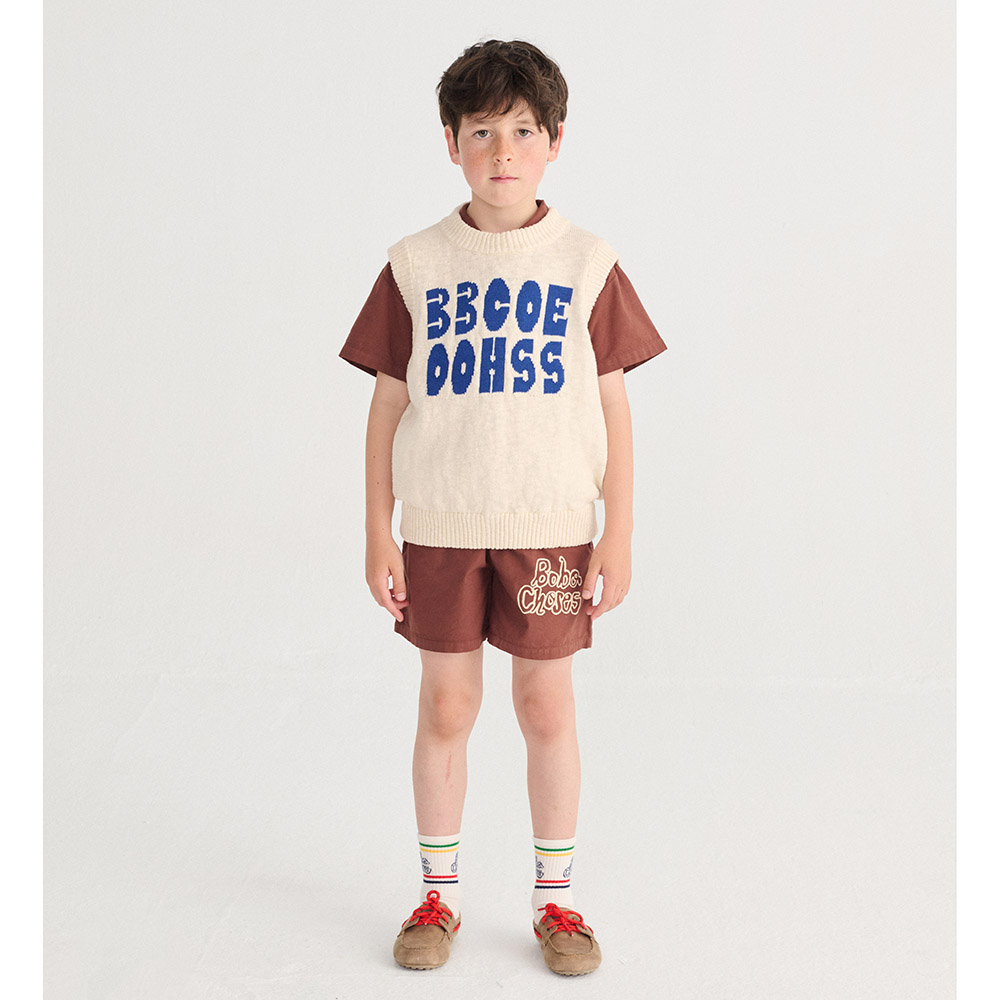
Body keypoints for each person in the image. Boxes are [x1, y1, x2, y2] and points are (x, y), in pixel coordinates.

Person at [339, 38, 666, 976]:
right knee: (447, 704)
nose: (503, 151)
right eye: (481, 131)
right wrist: (378, 532)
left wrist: (617, 533)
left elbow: (613, 407)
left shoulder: (586, 263)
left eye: (523, 130)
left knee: (546, 707)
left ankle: (556, 901)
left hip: (552, 531)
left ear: (555, 140)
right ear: (451, 143)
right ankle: (437, 894)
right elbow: (387, 406)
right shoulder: (415, 264)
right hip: (440, 529)